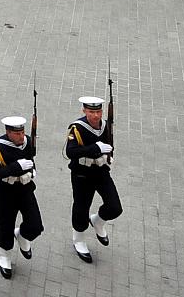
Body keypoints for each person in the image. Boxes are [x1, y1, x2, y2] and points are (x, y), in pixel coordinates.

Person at [65, 96, 122, 263]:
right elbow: (70, 152)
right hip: (82, 173)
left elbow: (109, 143)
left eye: (98, 112)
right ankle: (78, 239)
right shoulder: (77, 128)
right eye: (91, 112)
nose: (95, 115)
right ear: (84, 111)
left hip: (101, 170)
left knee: (115, 207)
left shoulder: (105, 125)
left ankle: (97, 221)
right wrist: (94, 148)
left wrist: (108, 155)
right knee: (81, 207)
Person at [0, 116, 44, 279]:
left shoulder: (27, 141)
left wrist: (32, 170)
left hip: (25, 188)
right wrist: (15, 167)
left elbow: (31, 159)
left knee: (35, 224)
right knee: (6, 223)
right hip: (6, 191)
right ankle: (4, 255)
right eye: (17, 133)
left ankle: (22, 235)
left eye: (22, 132)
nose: (21, 136)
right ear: (8, 133)